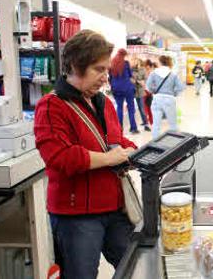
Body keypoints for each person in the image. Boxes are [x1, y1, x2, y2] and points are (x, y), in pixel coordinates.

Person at [34, 30, 137, 279]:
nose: (104, 78)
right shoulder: (51, 106)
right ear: (73, 66)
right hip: (76, 216)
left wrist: (132, 150)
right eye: (98, 70)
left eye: (106, 70)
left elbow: (114, 139)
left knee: (135, 266)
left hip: (114, 209)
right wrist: (109, 159)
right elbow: (59, 157)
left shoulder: (103, 102)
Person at [146, 55, 185, 139]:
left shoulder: (154, 73)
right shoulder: (173, 74)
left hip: (157, 98)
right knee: (172, 124)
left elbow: (148, 86)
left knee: (156, 124)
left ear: (160, 62)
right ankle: (174, 143)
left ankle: (155, 142)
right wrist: (174, 93)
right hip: (169, 99)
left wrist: (154, 91)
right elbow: (181, 87)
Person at [109, 49, 139, 134]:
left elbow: (110, 78)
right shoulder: (126, 63)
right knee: (131, 108)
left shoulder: (112, 64)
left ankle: (119, 128)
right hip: (127, 88)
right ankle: (133, 128)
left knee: (119, 108)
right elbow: (130, 75)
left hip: (116, 88)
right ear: (124, 55)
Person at [131, 57, 151, 132]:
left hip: (140, 92)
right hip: (132, 91)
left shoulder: (143, 70)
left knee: (142, 108)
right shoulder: (130, 70)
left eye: (135, 61)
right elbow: (130, 80)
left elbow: (145, 80)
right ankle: (133, 126)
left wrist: (139, 81)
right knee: (132, 110)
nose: (134, 63)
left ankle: (146, 124)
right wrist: (138, 81)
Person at [143, 59, 155, 126]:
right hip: (147, 91)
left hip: (147, 91)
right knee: (147, 107)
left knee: (147, 107)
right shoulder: (151, 72)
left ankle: (149, 121)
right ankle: (149, 121)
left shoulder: (150, 73)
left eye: (146, 66)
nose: (146, 67)